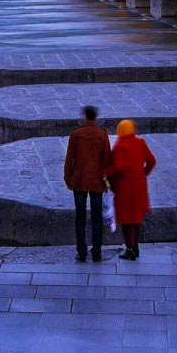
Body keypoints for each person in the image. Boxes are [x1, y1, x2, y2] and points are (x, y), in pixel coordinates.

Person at [63, 105, 111, 262]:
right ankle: (97, 252)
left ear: (85, 116)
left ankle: (81, 252)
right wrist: (107, 181)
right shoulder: (102, 135)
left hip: (79, 180)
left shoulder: (76, 134)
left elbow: (69, 159)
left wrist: (67, 179)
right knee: (97, 219)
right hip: (97, 182)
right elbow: (107, 161)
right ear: (95, 117)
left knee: (80, 218)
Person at [104, 119, 156, 260]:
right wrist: (143, 173)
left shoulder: (120, 146)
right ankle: (135, 246)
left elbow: (118, 167)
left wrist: (105, 172)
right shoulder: (140, 143)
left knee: (126, 221)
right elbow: (152, 160)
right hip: (139, 186)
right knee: (136, 219)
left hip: (124, 188)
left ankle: (130, 249)